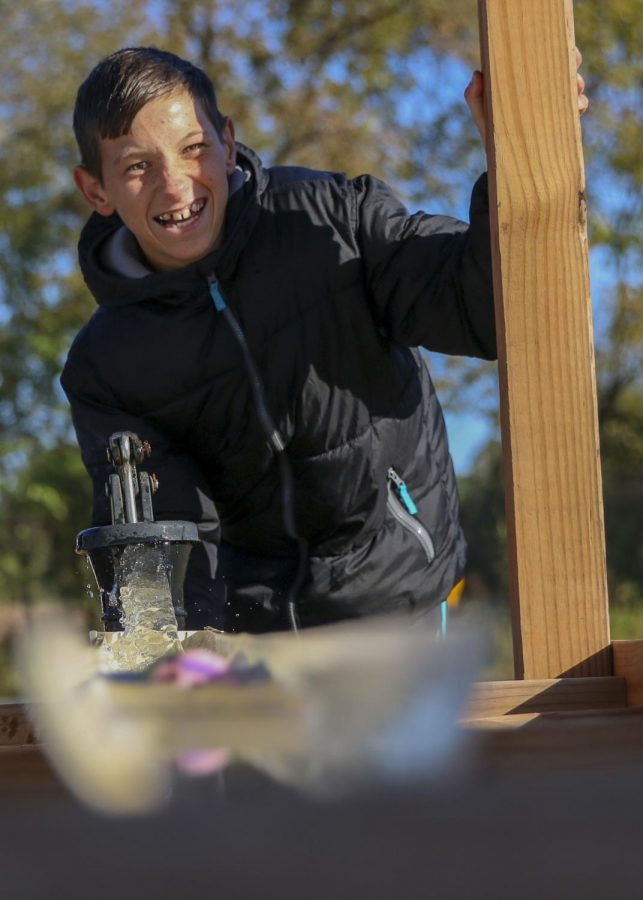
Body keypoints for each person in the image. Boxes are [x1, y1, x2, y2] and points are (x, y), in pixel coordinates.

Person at [62, 46, 586, 633]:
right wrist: (179, 665)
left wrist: (517, 155)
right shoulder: (106, 366)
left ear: (228, 144)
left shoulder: (332, 220)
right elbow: (163, 542)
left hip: (398, 593)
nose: (175, 184)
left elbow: (484, 308)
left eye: (193, 149)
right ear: (96, 190)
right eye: (137, 166)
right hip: (257, 637)